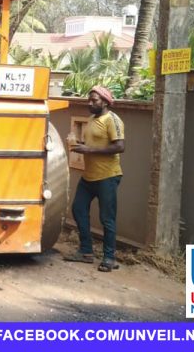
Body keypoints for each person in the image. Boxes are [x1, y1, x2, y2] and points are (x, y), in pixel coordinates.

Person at [65, 86, 125, 272]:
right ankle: (86, 251)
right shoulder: (91, 119)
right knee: (78, 209)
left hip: (107, 176)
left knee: (107, 218)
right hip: (89, 176)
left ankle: (109, 257)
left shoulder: (112, 120)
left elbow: (120, 146)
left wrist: (88, 150)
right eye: (89, 100)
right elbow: (93, 144)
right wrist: (80, 145)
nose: (90, 103)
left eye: (94, 100)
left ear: (105, 102)